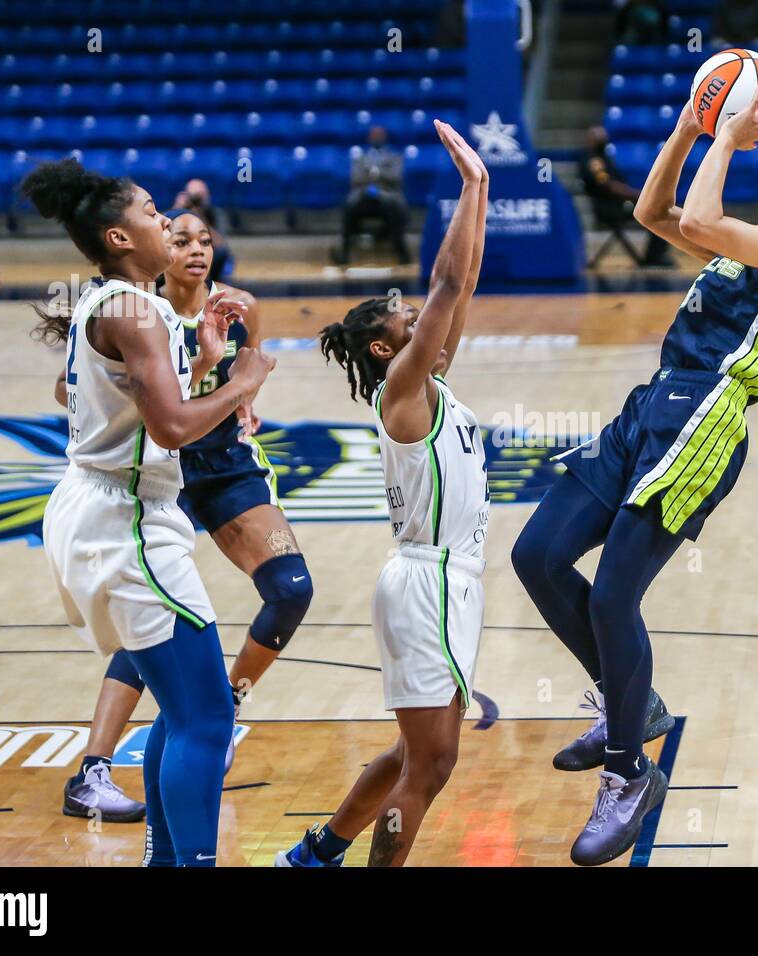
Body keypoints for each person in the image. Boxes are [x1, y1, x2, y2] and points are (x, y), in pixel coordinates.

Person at [512, 88, 758, 866]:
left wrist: (726, 134)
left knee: (615, 596)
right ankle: (634, 705)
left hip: (705, 420)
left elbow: (695, 221)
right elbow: (656, 213)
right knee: (537, 555)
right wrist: (686, 128)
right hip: (649, 407)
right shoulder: (746, 244)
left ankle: (630, 773)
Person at [23, 157, 275, 866]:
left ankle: (167, 859)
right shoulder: (135, 308)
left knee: (180, 705)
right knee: (206, 715)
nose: (164, 219)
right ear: (119, 238)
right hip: (126, 524)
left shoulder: (113, 304)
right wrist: (241, 380)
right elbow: (169, 429)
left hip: (98, 510)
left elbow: (121, 403)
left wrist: (201, 366)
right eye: (149, 211)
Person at [276, 120, 489, 868]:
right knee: (429, 767)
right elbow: (448, 282)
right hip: (425, 581)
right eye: (403, 318)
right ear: (383, 347)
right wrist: (469, 184)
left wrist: (482, 189)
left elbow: (462, 289)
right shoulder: (402, 387)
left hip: (447, 582)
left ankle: (315, 853)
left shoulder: (427, 382)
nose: (416, 315)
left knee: (412, 757)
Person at [59, 208, 312, 824]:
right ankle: (95, 764)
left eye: (204, 239)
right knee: (154, 620)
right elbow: (77, 392)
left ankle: (223, 707)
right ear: (155, 247)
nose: (196, 249)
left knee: (291, 588)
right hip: (152, 470)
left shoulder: (238, 306)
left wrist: (244, 402)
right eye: (180, 237)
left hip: (221, 464)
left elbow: (245, 380)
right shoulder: (135, 309)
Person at [581, 127, 671, 268]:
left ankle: (654, 257)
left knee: (660, 211)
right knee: (656, 212)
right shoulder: (594, 161)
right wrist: (638, 195)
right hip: (609, 208)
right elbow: (608, 185)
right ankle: (653, 258)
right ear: (590, 140)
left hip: (618, 204)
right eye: (599, 137)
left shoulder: (604, 158)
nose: (604, 140)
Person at [336, 126, 410, 266]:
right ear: (369, 138)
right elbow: (355, 178)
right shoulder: (360, 158)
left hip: (387, 197)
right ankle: (344, 254)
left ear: (385, 137)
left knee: (394, 206)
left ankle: (401, 252)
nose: (376, 138)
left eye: (379, 135)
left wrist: (375, 173)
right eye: (374, 135)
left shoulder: (394, 156)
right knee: (349, 204)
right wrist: (378, 175)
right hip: (364, 196)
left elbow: (396, 177)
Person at [171, 179, 234, 282]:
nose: (196, 200)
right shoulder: (177, 214)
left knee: (221, 253)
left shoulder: (217, 214)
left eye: (200, 195)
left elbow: (221, 244)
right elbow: (164, 239)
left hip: (213, 260)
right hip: (182, 256)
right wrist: (176, 210)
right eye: (193, 196)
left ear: (208, 196)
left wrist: (198, 216)